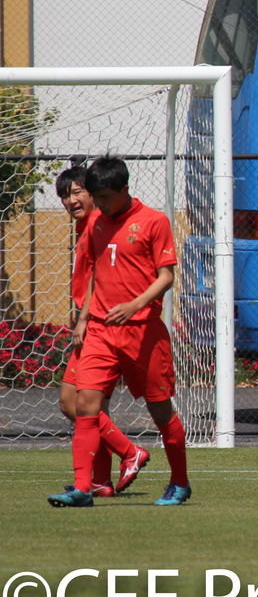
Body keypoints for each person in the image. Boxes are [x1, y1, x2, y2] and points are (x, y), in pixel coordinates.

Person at [48, 156, 190, 507]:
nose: (100, 204)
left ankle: (180, 482)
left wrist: (134, 305)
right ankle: (85, 488)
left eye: (106, 197)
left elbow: (166, 277)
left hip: (143, 333)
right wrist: (85, 318)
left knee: (161, 412)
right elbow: (95, 273)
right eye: (97, 197)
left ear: (124, 189)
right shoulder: (96, 223)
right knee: (84, 404)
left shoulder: (154, 221)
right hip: (101, 331)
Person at [54, 166, 148, 499]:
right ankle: (100, 481)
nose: (71, 200)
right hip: (97, 323)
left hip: (101, 326)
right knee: (92, 405)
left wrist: (84, 319)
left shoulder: (100, 224)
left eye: (77, 192)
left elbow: (102, 277)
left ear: (93, 193)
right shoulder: (89, 226)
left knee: (73, 403)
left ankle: (130, 452)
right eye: (65, 196)